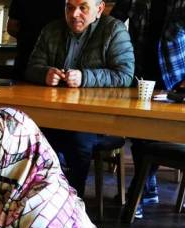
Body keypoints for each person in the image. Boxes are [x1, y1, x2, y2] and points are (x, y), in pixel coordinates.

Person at [25, 0, 134, 198]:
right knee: (28, 133)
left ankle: (74, 203)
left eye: (83, 7)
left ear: (99, 9)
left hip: (97, 118)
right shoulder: (52, 29)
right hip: (54, 114)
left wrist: (85, 77)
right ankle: (38, 201)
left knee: (78, 140)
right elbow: (32, 67)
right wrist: (45, 73)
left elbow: (125, 75)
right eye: (69, 7)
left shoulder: (114, 30)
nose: (74, 14)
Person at [111, 0, 185, 218]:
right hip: (138, 68)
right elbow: (114, 21)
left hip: (173, 73)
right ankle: (146, 186)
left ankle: (142, 189)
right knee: (137, 130)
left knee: (155, 133)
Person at [7, 0, 64, 80]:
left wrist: (26, 36)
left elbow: (11, 27)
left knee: (20, 89)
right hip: (55, 59)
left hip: (26, 53)